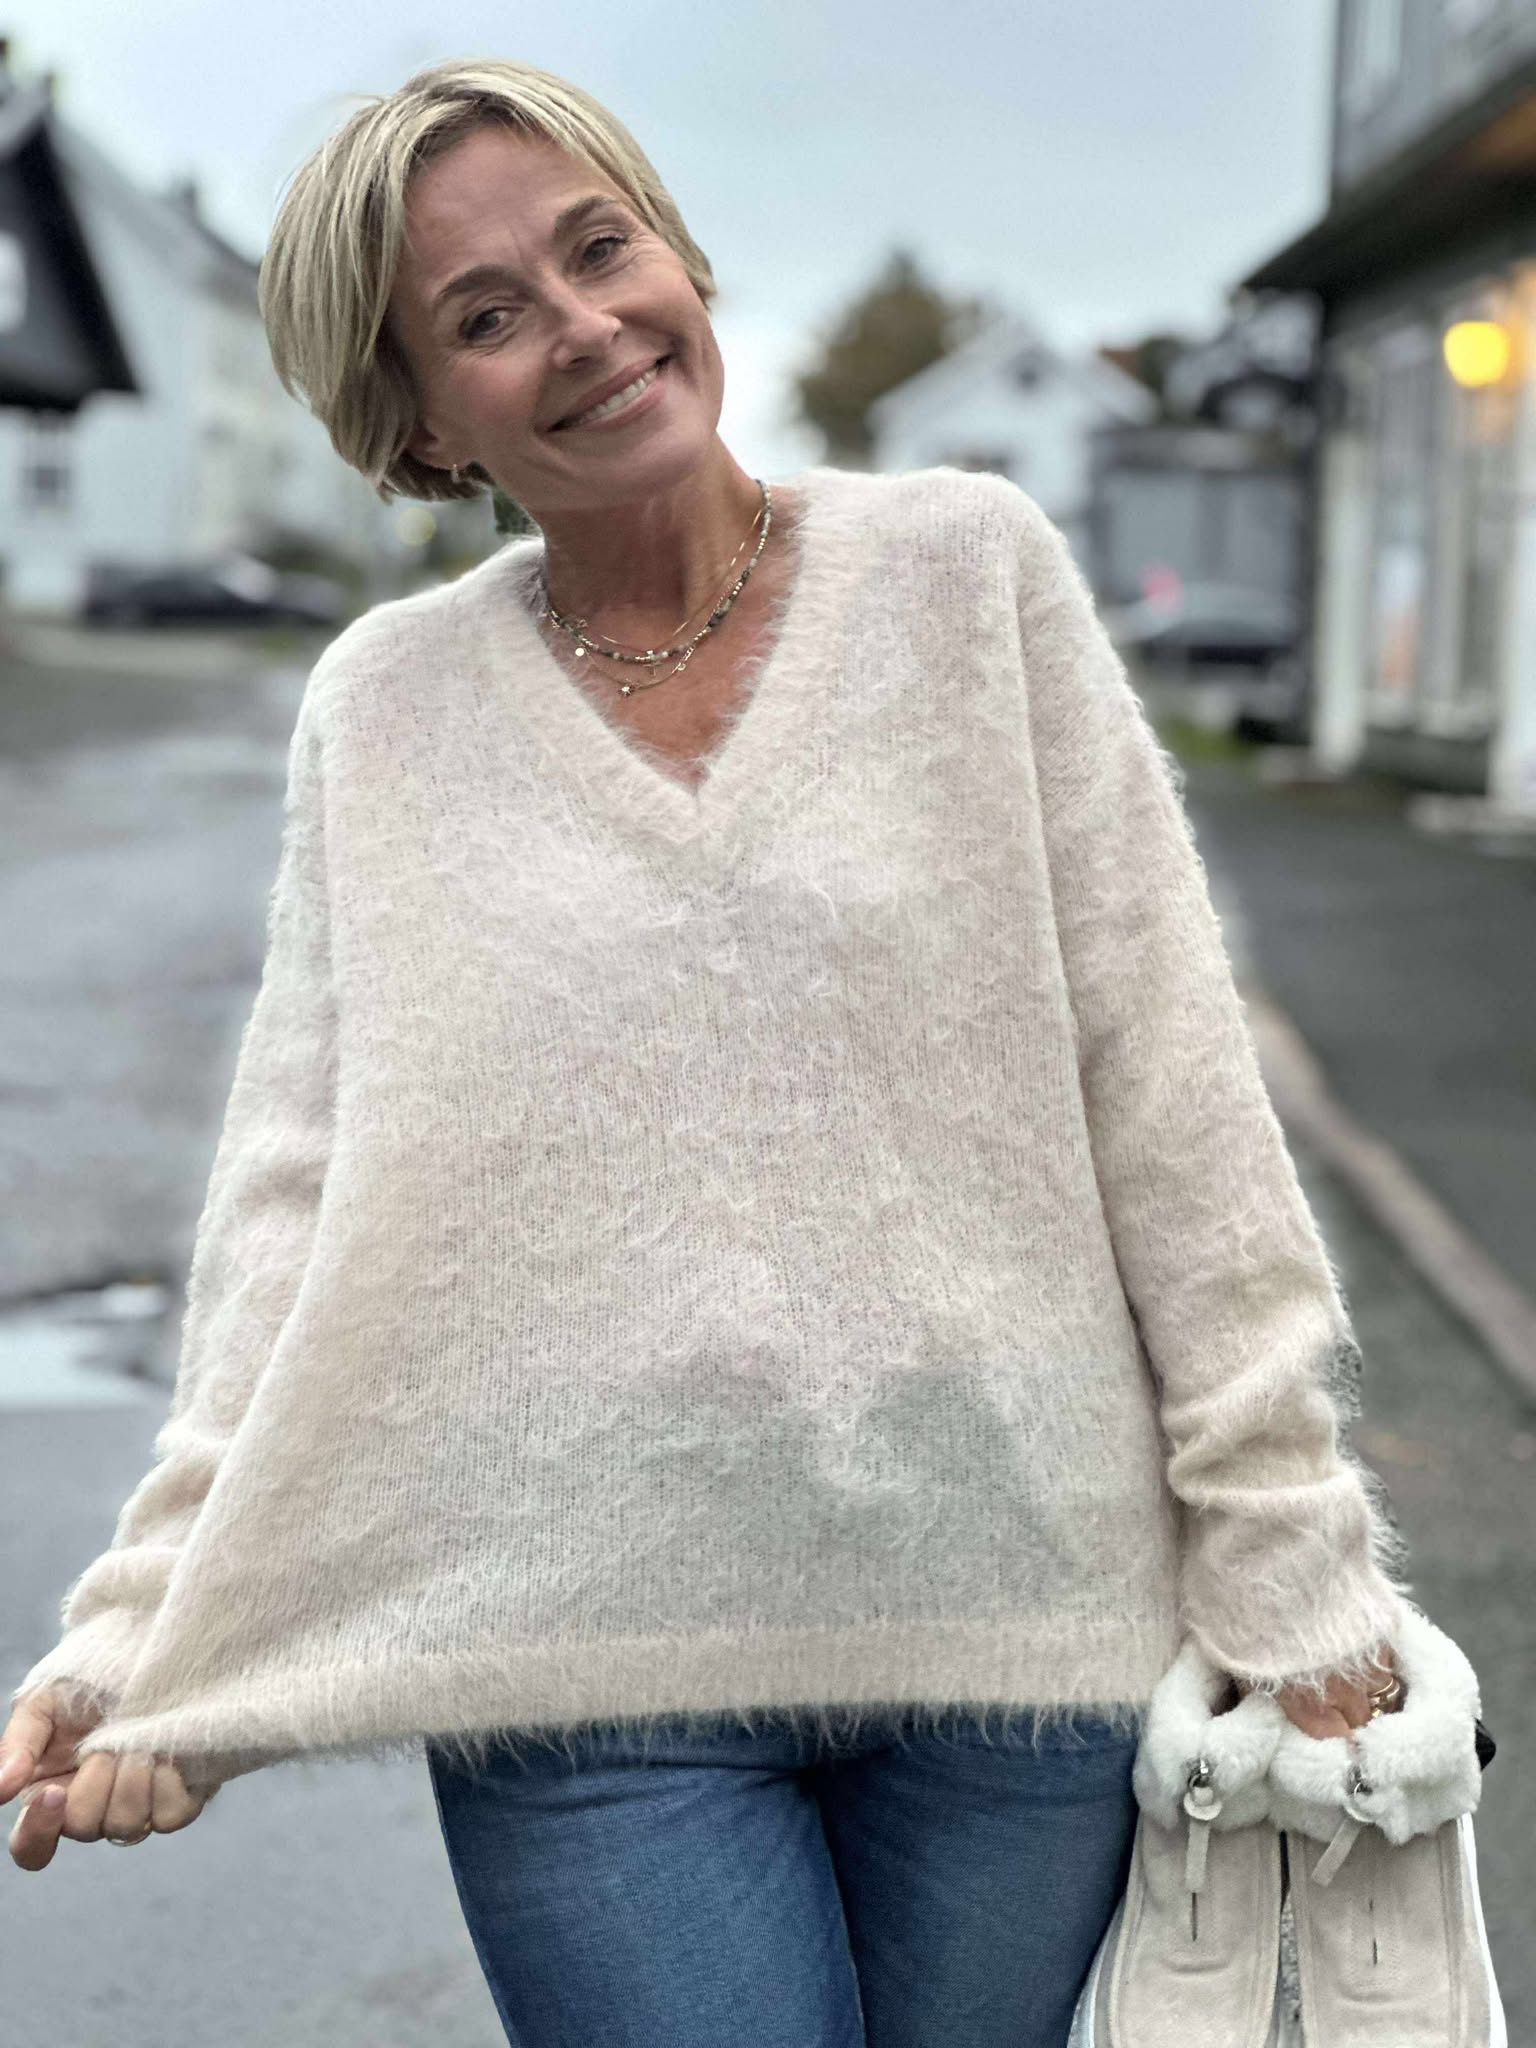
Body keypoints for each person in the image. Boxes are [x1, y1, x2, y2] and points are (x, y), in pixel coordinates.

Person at [1, 56, 1410, 2048]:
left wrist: (1289, 1543)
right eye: (487, 314)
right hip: (580, 1672)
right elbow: (302, 1197)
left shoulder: (969, 576)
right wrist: (157, 1616)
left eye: (602, 248)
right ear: (418, 416)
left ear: (676, 251)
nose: (584, 326)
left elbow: (1165, 1078)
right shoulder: (386, 709)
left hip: (1018, 1628)